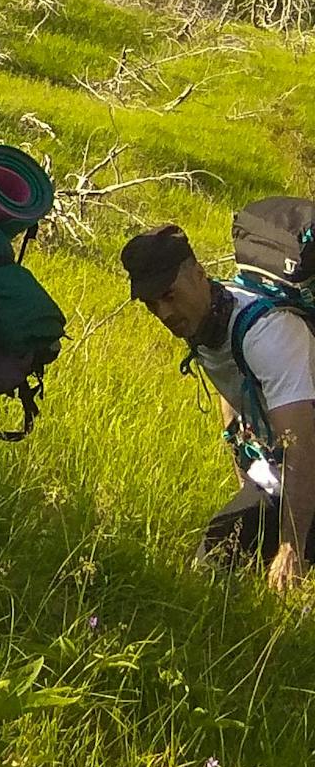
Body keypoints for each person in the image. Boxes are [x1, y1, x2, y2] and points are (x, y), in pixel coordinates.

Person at [121, 223, 315, 591]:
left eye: (169, 296)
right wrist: (245, 469)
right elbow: (232, 383)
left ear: (198, 274)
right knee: (212, 563)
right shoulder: (208, 319)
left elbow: (302, 447)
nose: (163, 313)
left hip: (306, 459)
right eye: (151, 304)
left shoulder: (268, 335)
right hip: (285, 467)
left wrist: (291, 546)